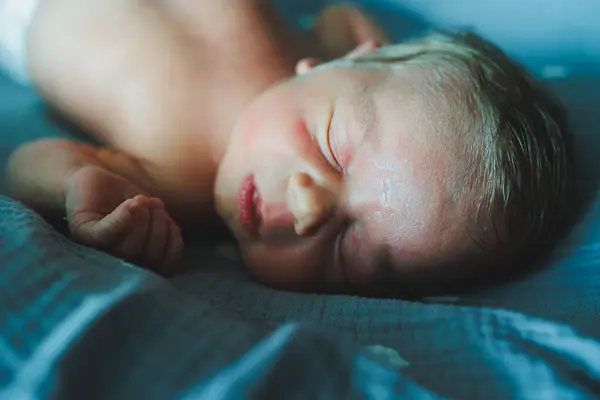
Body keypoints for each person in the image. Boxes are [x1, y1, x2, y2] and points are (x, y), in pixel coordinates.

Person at [1, 0, 572, 295]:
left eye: (351, 251)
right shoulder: (330, 47)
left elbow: (25, 164)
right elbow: (344, 17)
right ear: (359, 56)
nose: (306, 210)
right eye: (334, 149)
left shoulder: (182, 183)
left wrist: (79, 190)